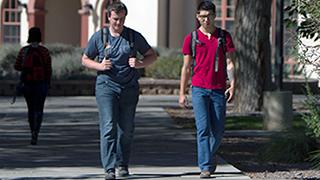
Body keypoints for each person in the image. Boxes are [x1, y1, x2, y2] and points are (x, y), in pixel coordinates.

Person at [81, 2, 157, 180]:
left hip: (129, 88)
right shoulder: (99, 37)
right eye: (115, 19)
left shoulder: (133, 36)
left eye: (122, 19)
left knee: (126, 129)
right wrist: (99, 65)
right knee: (108, 126)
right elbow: (85, 59)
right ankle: (109, 168)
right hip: (106, 87)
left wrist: (139, 64)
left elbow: (152, 55)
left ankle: (122, 164)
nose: (118, 23)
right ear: (109, 17)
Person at [179, 1, 235, 178]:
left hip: (218, 89)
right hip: (199, 89)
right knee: (203, 129)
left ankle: (209, 156)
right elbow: (186, 67)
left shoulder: (224, 37)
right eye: (202, 16)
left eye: (209, 16)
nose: (206, 20)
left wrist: (233, 84)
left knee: (218, 131)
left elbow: (230, 63)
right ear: (197, 17)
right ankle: (205, 166)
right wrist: (182, 92)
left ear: (214, 16)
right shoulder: (192, 38)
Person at [14, 27, 52, 145]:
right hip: (41, 83)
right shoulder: (44, 51)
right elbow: (48, 68)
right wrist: (48, 83)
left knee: (30, 109)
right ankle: (37, 131)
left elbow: (17, 66)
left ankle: (32, 131)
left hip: (28, 84)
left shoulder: (24, 51)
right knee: (39, 109)